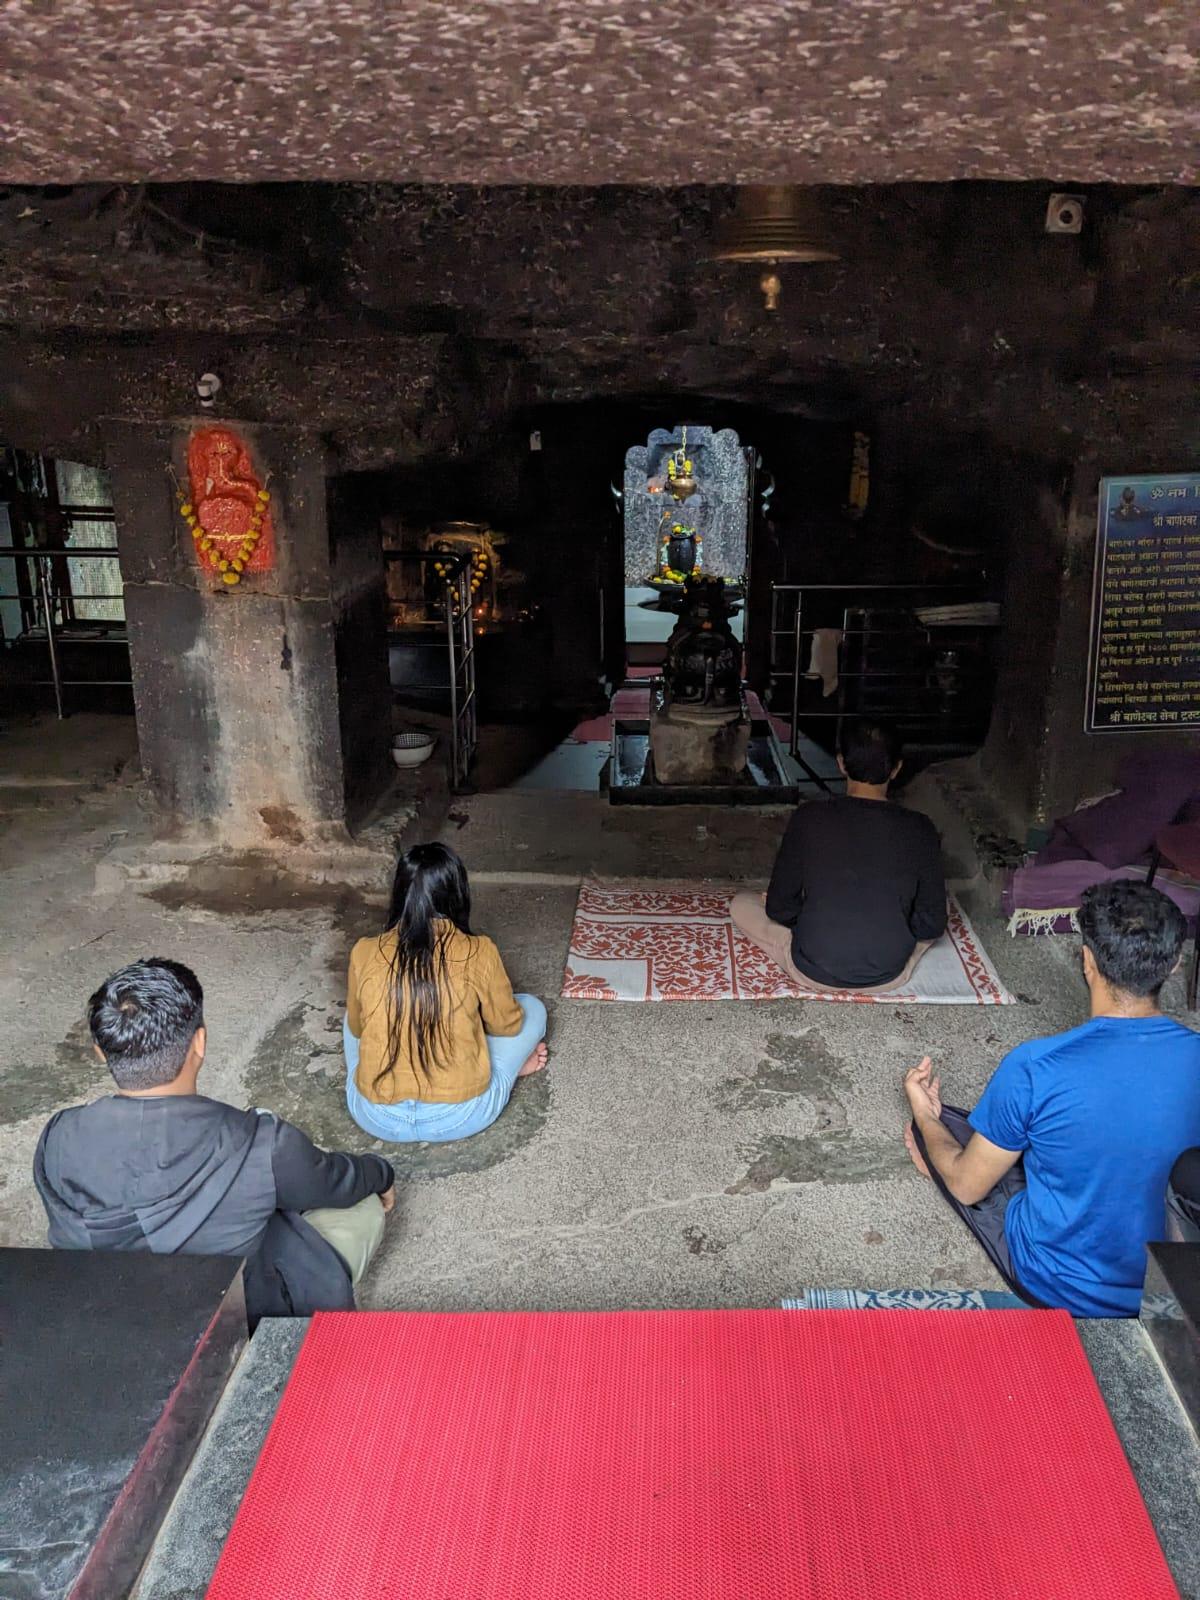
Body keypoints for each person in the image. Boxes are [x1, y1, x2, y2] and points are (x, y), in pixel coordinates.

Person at [34, 959, 395, 1325]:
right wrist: (380, 1173)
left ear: (100, 1051)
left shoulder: (58, 1136)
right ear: (200, 1042)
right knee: (361, 1208)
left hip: (119, 1318)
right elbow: (337, 1183)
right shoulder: (261, 1142)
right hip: (239, 1319)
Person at [904, 881, 1200, 1315]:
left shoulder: (1036, 1067)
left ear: (1087, 962)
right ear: (1174, 964)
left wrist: (926, 1118)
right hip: (1172, 1291)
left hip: (1056, 1283)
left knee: (959, 1139)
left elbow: (968, 1188)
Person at [344, 842, 548, 1143]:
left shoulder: (363, 951)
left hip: (376, 1116)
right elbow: (507, 1025)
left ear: (399, 894)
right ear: (457, 894)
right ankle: (506, 1072)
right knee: (533, 1008)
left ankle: (496, 1069)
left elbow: (358, 1029)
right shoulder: (480, 951)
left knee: (351, 1017)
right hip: (462, 1114)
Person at [730, 718, 946, 992]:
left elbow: (779, 908)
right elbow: (931, 924)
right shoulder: (921, 828)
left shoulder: (809, 817)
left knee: (741, 904)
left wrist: (818, 915)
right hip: (889, 974)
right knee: (928, 925)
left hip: (812, 969)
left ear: (841, 763)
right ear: (897, 768)